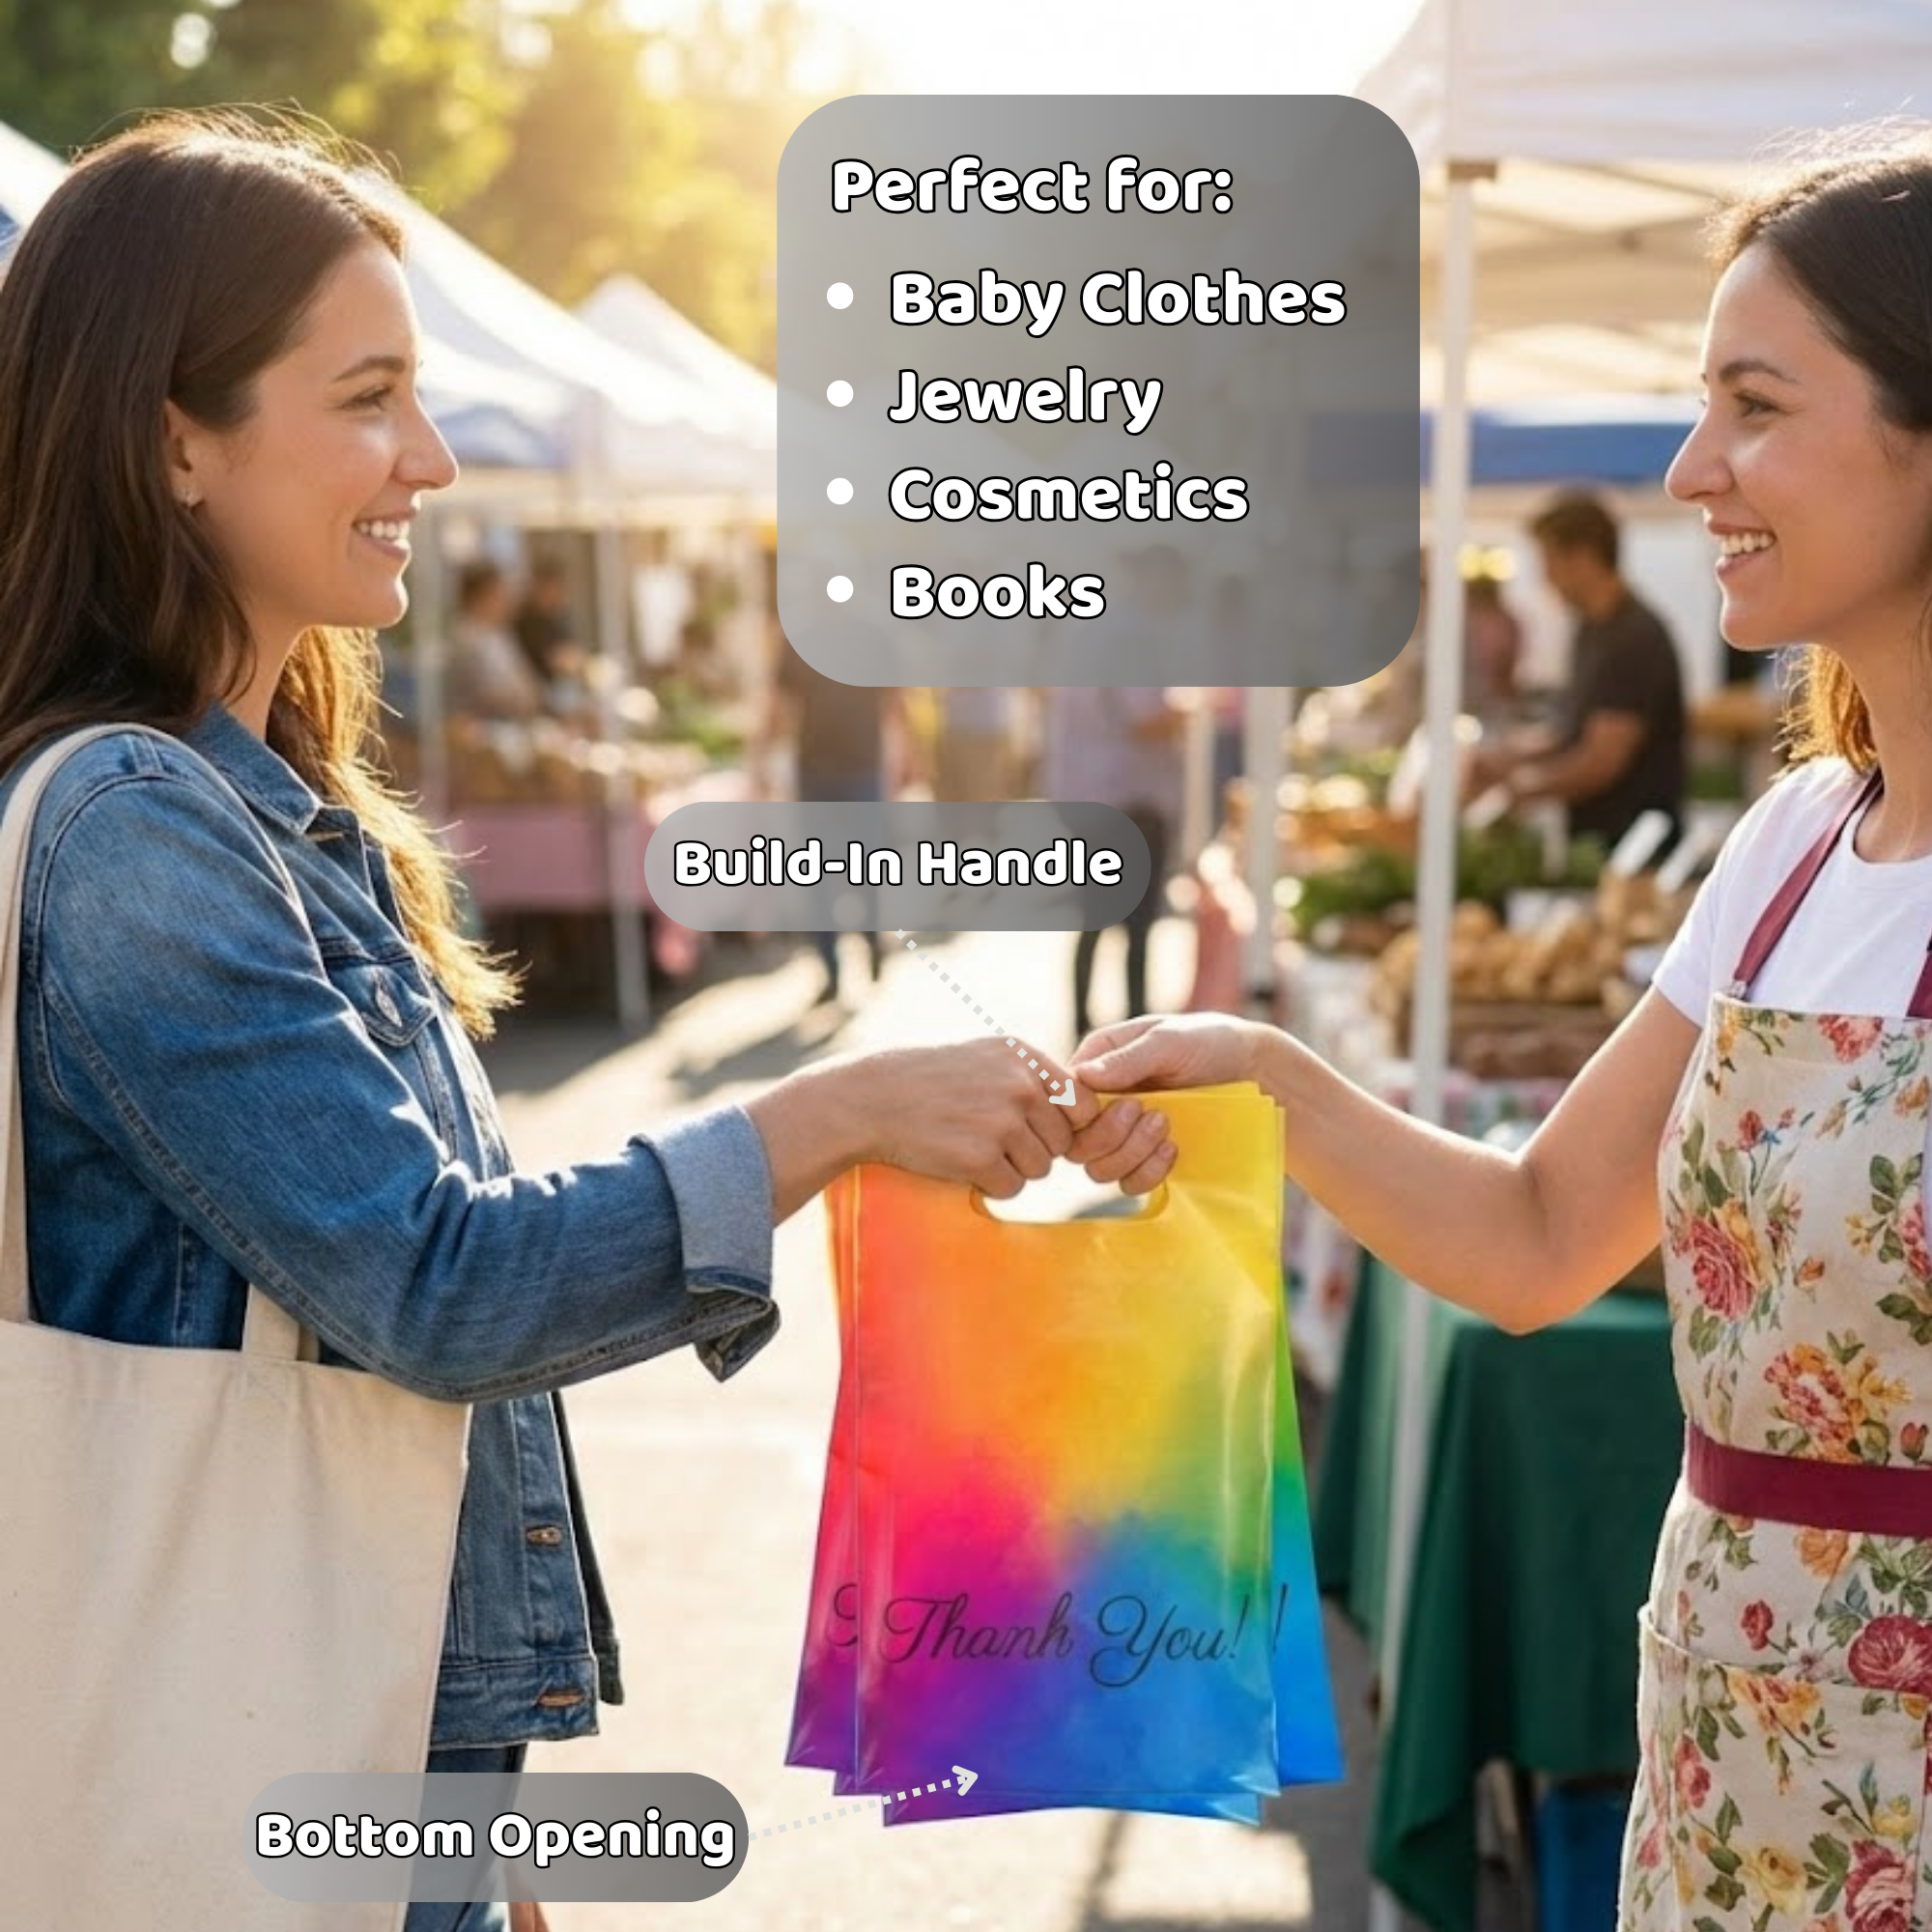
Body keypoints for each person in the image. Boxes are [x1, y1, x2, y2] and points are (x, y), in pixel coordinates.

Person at [0, 110, 1139, 1932]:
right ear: (175, 440)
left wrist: (481, 1821)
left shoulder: (269, 812)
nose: (432, 459)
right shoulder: (142, 839)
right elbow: (439, 1291)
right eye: (368, 397)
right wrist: (830, 1113)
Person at [1063, 131, 1932, 1932]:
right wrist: (1267, 1075)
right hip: (1722, 1743)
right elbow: (1540, 1241)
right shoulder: (1783, 851)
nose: (1695, 470)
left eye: (1755, 407)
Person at [1472, 492, 1688, 848]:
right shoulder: (1592, 628)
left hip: (1632, 846)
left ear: (1583, 557)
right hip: (1596, 836)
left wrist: (1522, 788)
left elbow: (1601, 759)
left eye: (1548, 560)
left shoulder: (1633, 637)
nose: (1545, 578)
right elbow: (1570, 731)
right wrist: (1508, 759)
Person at [763, 626, 898, 1002]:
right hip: (815, 769)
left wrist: (908, 755)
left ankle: (870, 936)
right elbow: (779, 701)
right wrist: (761, 757)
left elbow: (892, 699)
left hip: (862, 767)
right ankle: (831, 968)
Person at [445, 556, 546, 723]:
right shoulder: (465, 638)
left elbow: (525, 682)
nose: (507, 601)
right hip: (484, 732)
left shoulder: (498, 634)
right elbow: (487, 694)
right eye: (500, 594)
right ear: (479, 597)